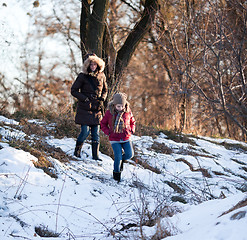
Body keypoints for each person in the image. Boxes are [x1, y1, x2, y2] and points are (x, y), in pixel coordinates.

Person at [71, 54, 107, 160]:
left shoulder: (102, 75)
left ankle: (95, 156)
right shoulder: (82, 76)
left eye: (95, 64)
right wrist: (84, 98)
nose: (93, 66)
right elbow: (73, 90)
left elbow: (105, 89)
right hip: (85, 108)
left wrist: (103, 98)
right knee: (85, 132)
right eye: (91, 64)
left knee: (96, 134)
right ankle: (77, 152)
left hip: (97, 109)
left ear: (98, 65)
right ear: (87, 65)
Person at [100, 92, 135, 182]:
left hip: (126, 137)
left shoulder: (128, 111)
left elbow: (132, 121)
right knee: (118, 156)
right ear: (114, 105)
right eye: (118, 106)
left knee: (129, 154)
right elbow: (103, 124)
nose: (120, 108)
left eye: (122, 106)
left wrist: (132, 129)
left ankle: (121, 161)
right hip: (114, 138)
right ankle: (116, 176)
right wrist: (108, 132)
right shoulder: (109, 113)